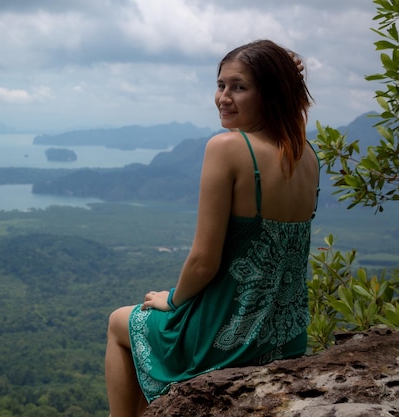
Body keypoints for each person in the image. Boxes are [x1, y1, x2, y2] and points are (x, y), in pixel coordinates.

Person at [105, 39, 319, 417]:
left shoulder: (229, 148)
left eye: (239, 87)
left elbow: (204, 261)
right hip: (285, 339)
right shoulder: (308, 155)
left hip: (228, 339)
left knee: (120, 322)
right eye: (221, 85)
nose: (224, 97)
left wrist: (171, 300)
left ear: (269, 93)